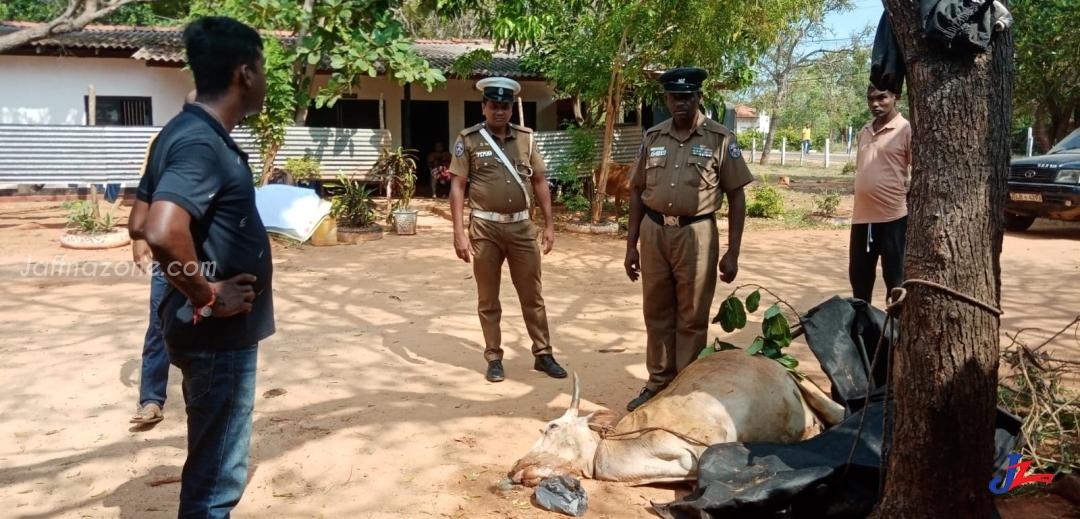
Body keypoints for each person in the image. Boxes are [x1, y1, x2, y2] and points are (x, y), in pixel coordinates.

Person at [128, 16, 273, 518]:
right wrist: (208, 294)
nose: (265, 80)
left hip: (196, 329)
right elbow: (162, 229)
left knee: (209, 455)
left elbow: (137, 219)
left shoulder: (180, 131)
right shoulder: (202, 142)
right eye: (263, 68)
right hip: (218, 336)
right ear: (244, 74)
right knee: (216, 480)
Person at [623, 67, 754, 412]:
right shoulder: (653, 137)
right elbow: (637, 191)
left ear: (698, 98)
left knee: (692, 314)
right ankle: (657, 383)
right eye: (674, 97)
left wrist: (733, 252)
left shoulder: (720, 139)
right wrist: (630, 245)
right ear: (666, 100)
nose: (680, 103)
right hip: (653, 233)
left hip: (697, 234)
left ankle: (686, 388)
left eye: (687, 97)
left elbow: (737, 196)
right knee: (656, 311)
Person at [448, 76, 567, 383]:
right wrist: (459, 232)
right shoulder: (470, 139)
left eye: (505, 106)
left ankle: (543, 354)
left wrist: (550, 225)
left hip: (522, 228)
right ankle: (494, 357)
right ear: (484, 107)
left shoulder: (526, 139)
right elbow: (458, 186)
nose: (499, 112)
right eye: (494, 106)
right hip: (485, 228)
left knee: (533, 295)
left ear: (511, 109)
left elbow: (539, 181)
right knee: (488, 298)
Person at [129, 89, 198, 427]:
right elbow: (147, 186)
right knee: (159, 323)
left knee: (205, 322)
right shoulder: (164, 141)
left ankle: (201, 398)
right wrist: (140, 238)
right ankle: (151, 399)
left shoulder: (219, 145)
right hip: (168, 252)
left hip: (205, 254)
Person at [849, 84, 912, 305]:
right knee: (859, 279)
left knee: (895, 282)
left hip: (893, 219)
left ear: (896, 97)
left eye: (882, 98)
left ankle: (895, 334)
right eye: (870, 99)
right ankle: (864, 334)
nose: (875, 103)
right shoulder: (864, 130)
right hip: (862, 219)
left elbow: (918, 171)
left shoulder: (905, 129)